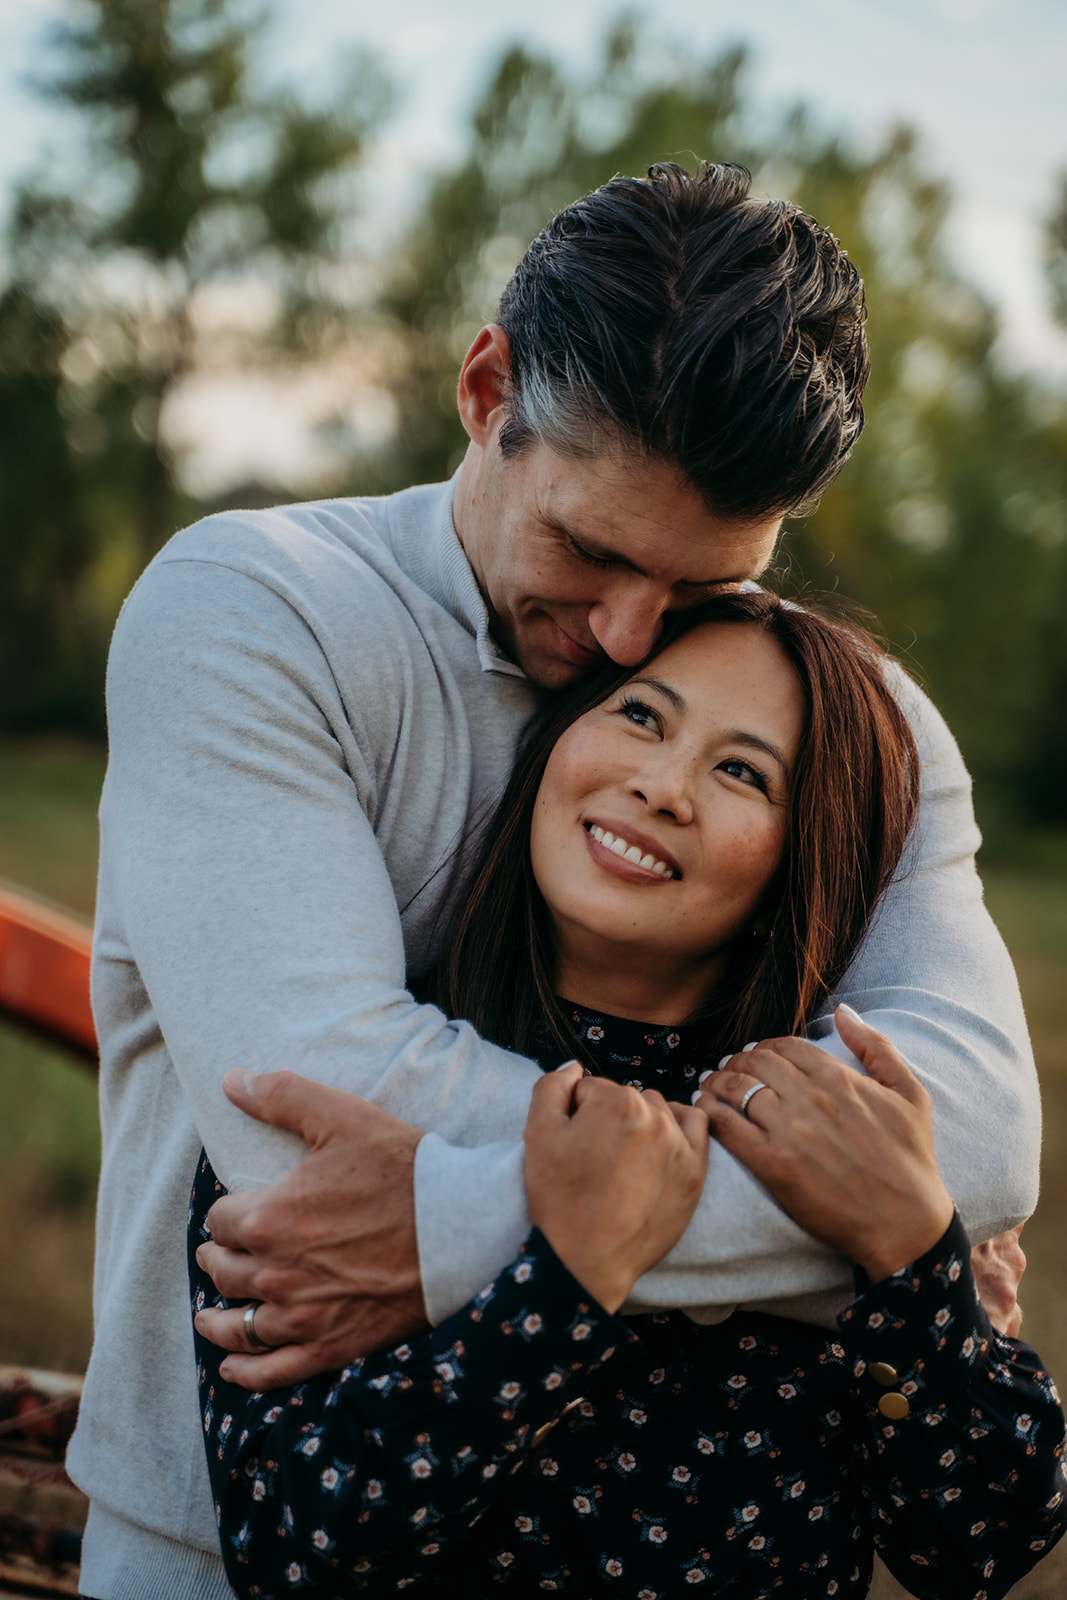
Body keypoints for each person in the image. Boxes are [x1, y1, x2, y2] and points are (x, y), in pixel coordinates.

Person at [68, 163, 1040, 1600]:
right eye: (588, 549)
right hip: (241, 1538)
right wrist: (870, 1251)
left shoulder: (847, 720)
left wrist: (463, 1227)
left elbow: (973, 1133)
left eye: (704, 583)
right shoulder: (256, 612)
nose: (627, 632)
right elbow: (307, 1117)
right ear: (482, 388)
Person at [188, 594, 1066, 1598]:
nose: (659, 785)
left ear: (804, 859)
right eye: (641, 717)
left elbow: (979, 1550)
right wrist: (558, 1283)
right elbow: (290, 1550)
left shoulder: (826, 1131)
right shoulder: (359, 1085)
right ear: (555, 743)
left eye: (741, 771)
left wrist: (916, 1267)